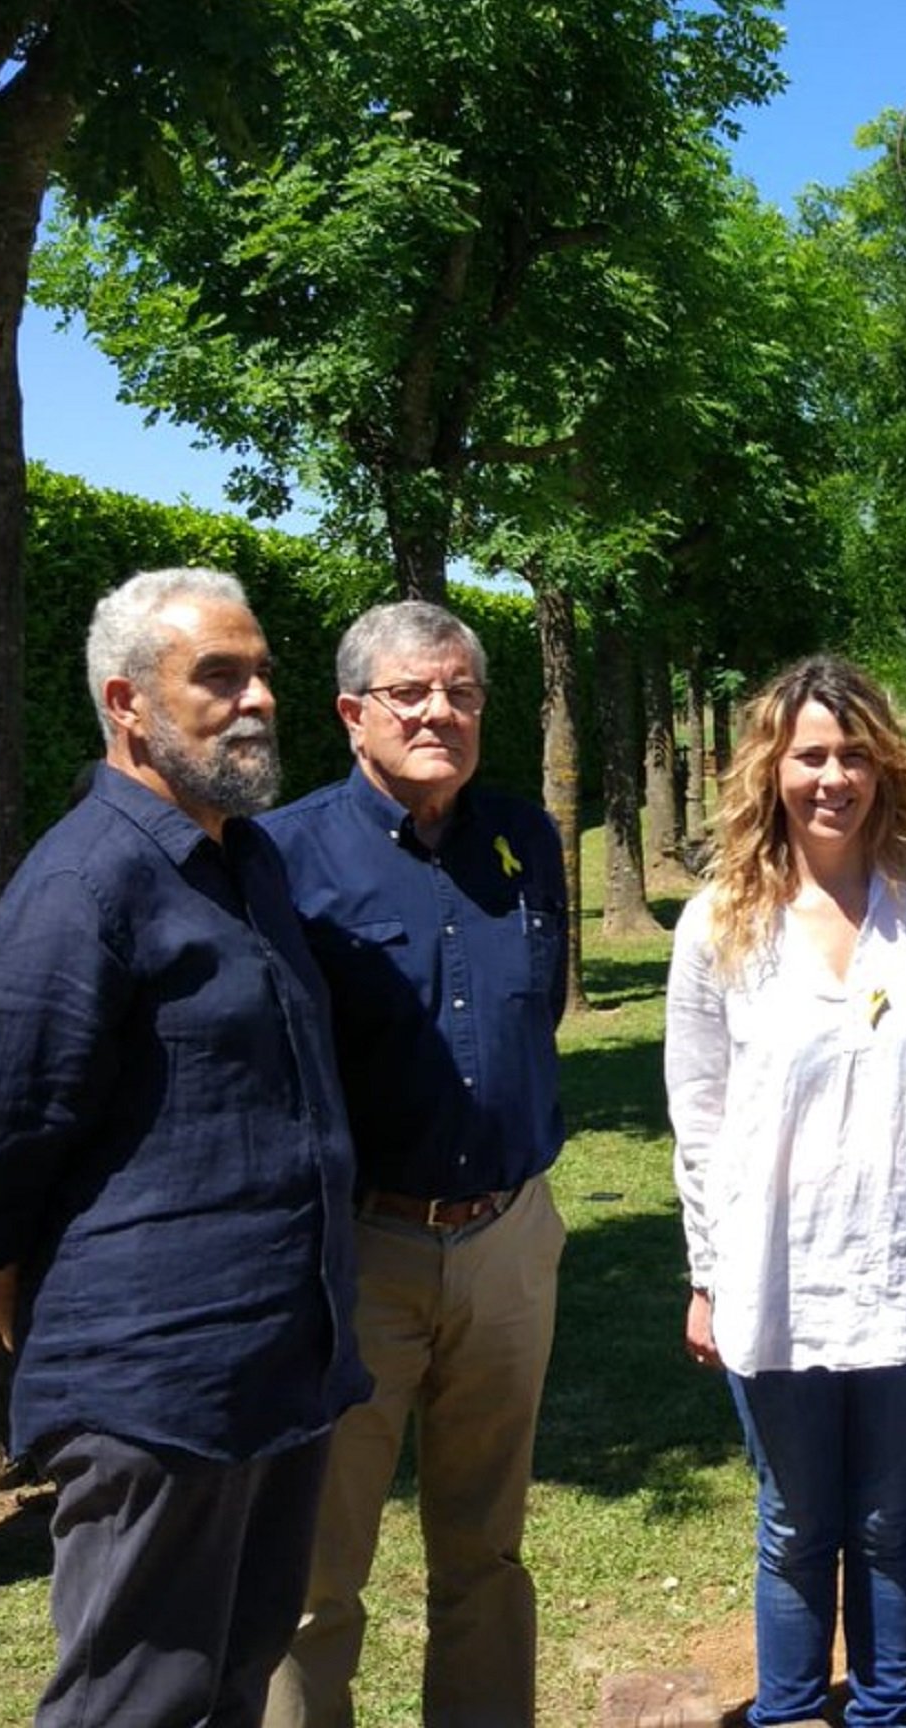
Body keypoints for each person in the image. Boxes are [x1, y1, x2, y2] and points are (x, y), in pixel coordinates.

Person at [0, 568, 366, 1727]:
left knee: (232, 1676)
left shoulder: (244, 861)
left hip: (276, 1366)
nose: (260, 696)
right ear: (128, 702)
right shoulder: (83, 883)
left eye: (261, 669)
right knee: (135, 1701)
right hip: (156, 1390)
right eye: (219, 675)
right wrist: (71, 1334)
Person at [664, 656, 906, 1728]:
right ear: (769, 768)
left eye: (853, 753)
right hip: (776, 1267)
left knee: (886, 1517)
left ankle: (882, 1712)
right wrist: (707, 1277)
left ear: (884, 765)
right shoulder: (718, 922)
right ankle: (784, 1714)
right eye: (810, 754)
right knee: (793, 1518)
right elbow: (700, 1120)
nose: (833, 776)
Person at [261, 602, 568, 1728]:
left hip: (508, 1242)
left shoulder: (523, 839)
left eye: (464, 691)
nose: (441, 710)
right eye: (411, 692)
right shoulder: (279, 858)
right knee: (309, 1571)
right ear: (352, 713)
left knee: (487, 1553)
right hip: (354, 1254)